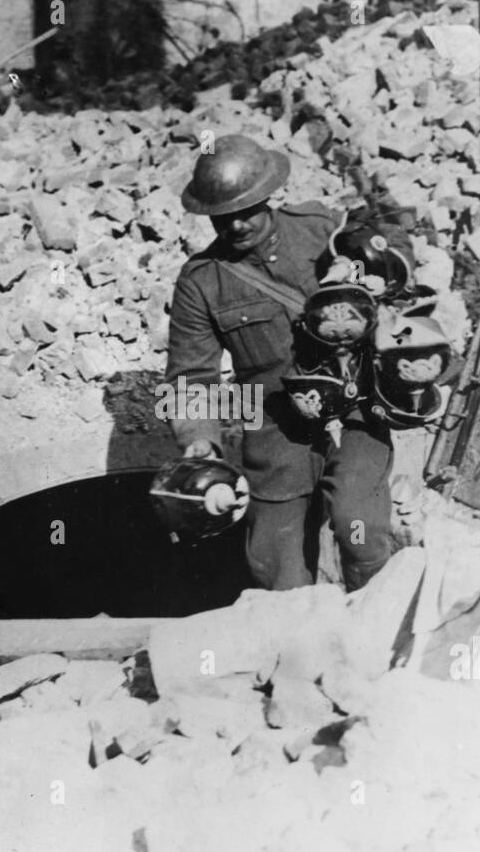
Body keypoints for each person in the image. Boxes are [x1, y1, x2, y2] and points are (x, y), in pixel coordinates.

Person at [162, 133, 407, 591]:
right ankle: (301, 653)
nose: (236, 226)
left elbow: (389, 243)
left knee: (361, 529)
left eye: (247, 210)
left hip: (355, 410)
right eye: (223, 218)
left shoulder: (321, 230)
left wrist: (379, 276)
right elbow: (190, 378)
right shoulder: (201, 281)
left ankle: (374, 635)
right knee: (277, 568)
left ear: (268, 196)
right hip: (277, 429)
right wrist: (199, 443)